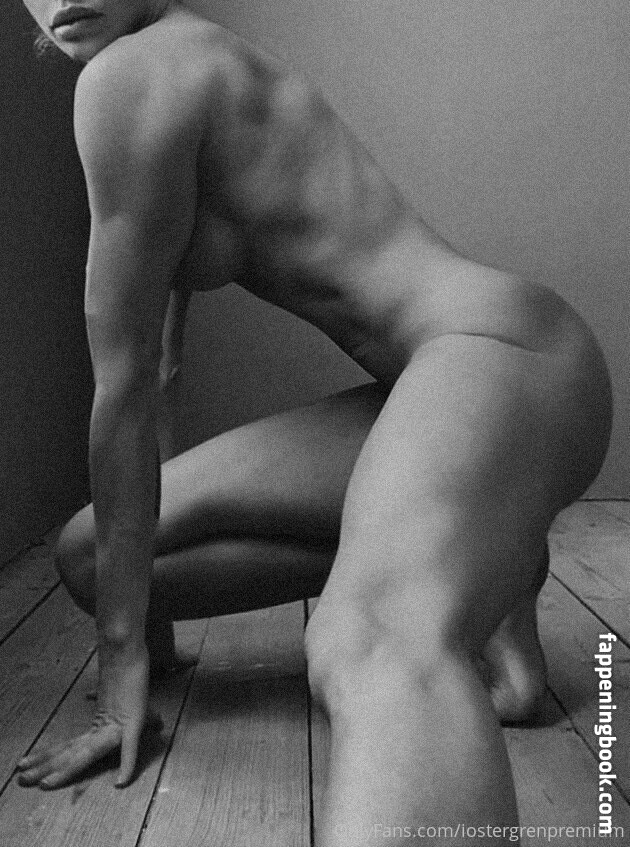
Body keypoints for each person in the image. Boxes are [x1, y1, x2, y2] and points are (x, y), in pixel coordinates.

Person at [16, 2, 612, 844]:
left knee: (366, 635)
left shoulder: (130, 76)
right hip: (436, 389)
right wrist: (141, 646)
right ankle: (494, 555)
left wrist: (120, 670)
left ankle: (474, 555)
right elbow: (155, 376)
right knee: (89, 555)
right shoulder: (159, 77)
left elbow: (123, 386)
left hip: (506, 356)